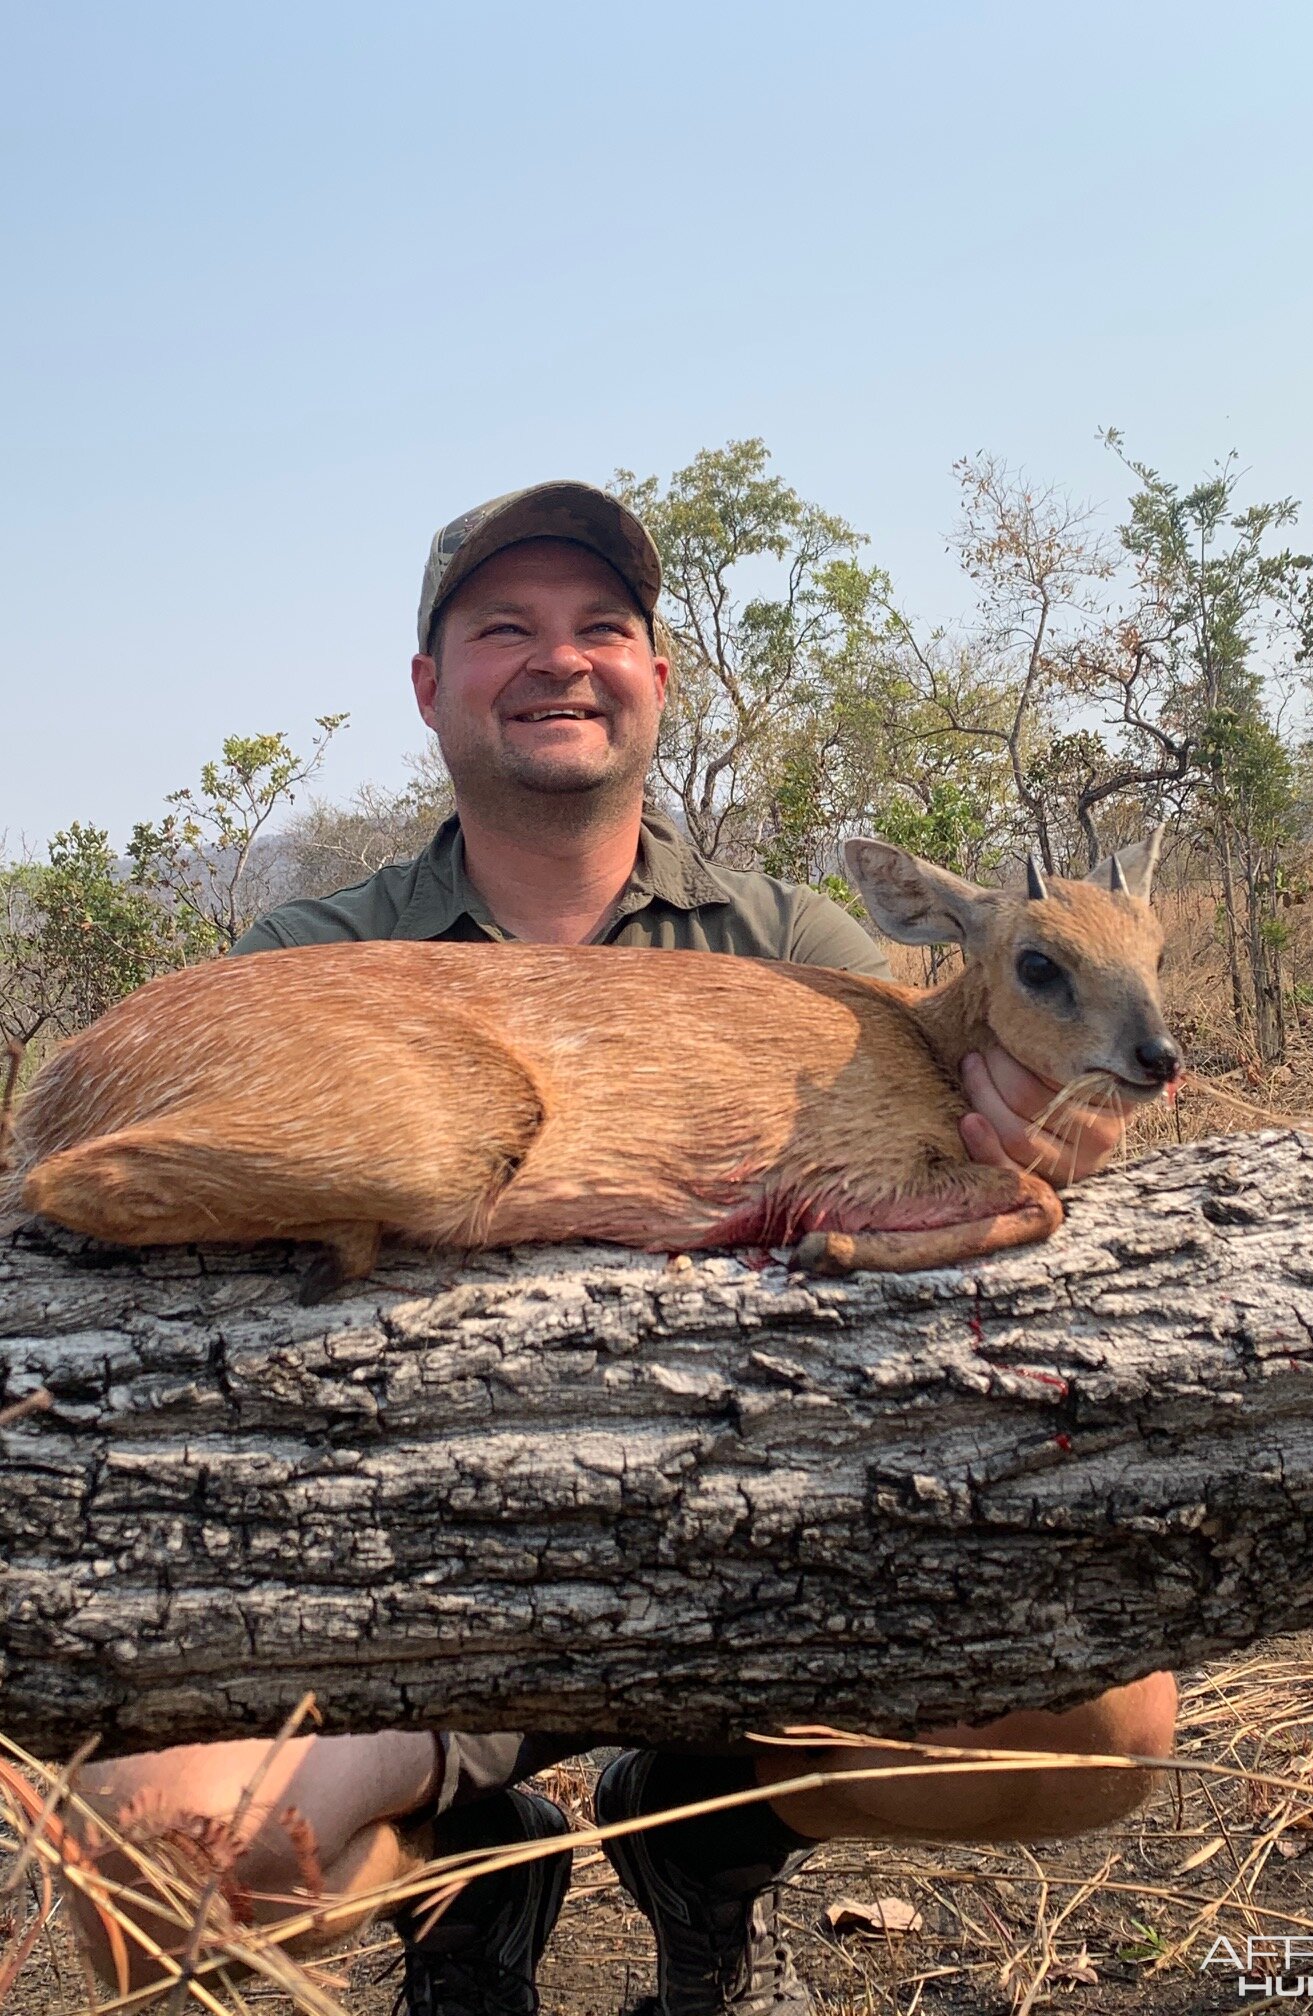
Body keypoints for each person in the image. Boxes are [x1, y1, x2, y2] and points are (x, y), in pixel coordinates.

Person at [72, 483, 1176, 2016]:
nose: (561, 660)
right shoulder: (313, 956)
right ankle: (468, 1866)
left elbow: (988, 1069)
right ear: (430, 686)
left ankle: (711, 1832)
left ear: (660, 674)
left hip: (751, 1555)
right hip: (417, 1585)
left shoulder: (804, 944)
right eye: (503, 630)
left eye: (603, 627)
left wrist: (1043, 1120)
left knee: (1111, 1733)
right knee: (150, 1880)